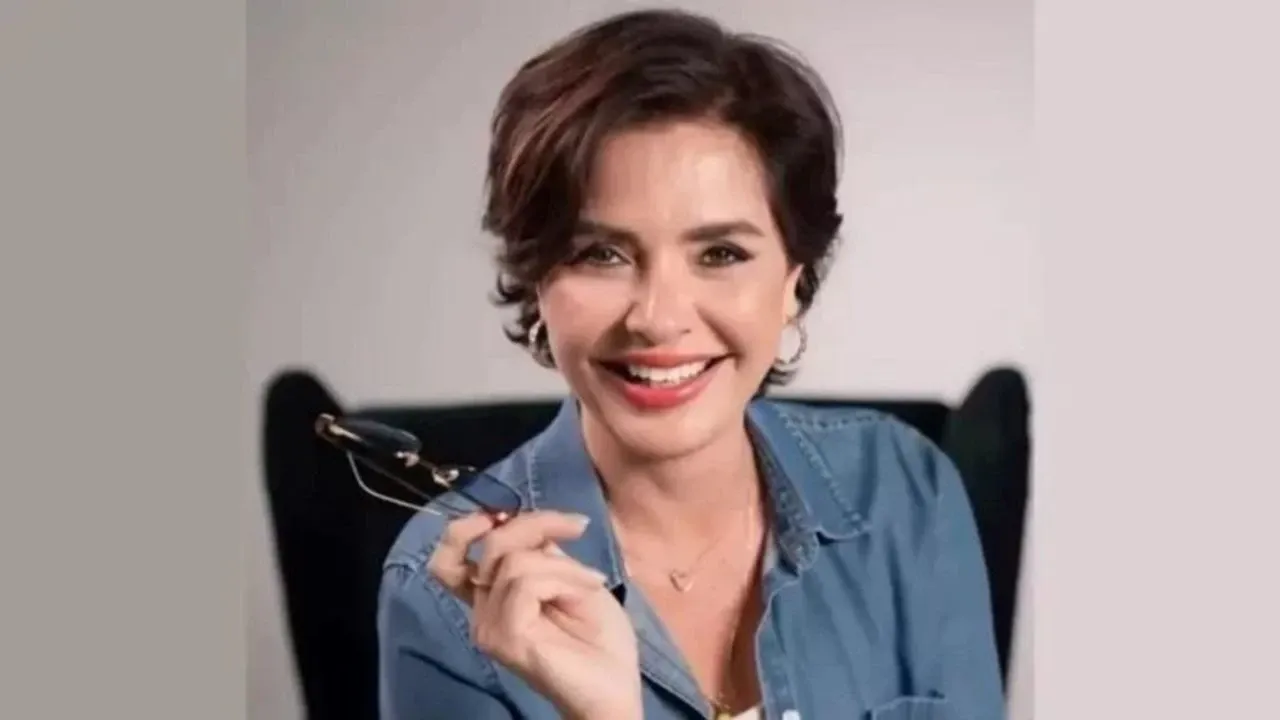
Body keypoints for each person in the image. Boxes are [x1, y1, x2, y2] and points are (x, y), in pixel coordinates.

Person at [377, 8, 1005, 720]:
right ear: (537, 280)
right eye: (601, 254)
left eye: (721, 254)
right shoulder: (443, 593)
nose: (657, 317)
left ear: (793, 281)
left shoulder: (905, 492)